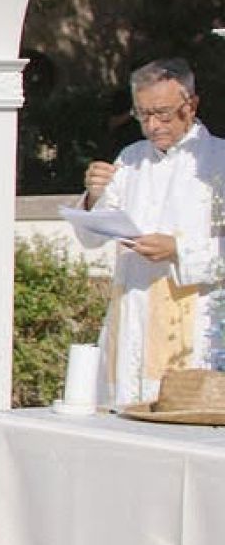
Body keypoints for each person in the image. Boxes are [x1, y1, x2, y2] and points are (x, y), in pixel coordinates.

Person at [81, 59, 225, 406]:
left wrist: (177, 249)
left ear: (190, 105)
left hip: (194, 317)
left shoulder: (219, 160)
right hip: (132, 308)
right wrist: (94, 198)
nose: (152, 125)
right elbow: (92, 237)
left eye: (163, 113)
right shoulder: (129, 159)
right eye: (143, 114)